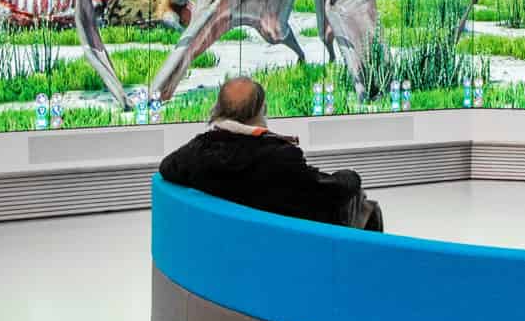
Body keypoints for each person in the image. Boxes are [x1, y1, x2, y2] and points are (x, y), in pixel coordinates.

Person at [157, 77, 385, 231]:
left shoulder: (199, 150)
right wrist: (350, 176)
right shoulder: (279, 157)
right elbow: (329, 190)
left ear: (219, 109)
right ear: (262, 109)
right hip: (292, 238)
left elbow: (167, 166)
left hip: (241, 235)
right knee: (362, 203)